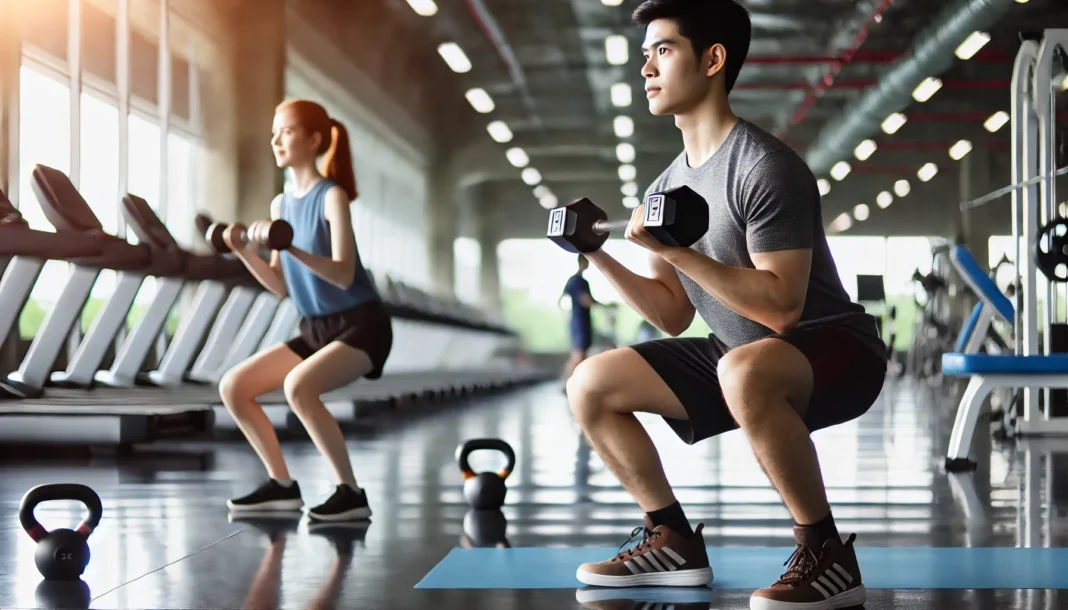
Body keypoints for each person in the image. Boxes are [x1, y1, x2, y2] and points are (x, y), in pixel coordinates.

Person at [566, 2, 886, 608]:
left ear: (713, 60)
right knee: (590, 383)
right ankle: (672, 539)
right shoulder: (665, 185)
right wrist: (598, 256)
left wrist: (680, 252)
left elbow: (783, 308)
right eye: (645, 55)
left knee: (743, 367)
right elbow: (670, 312)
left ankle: (826, 553)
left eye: (663, 51)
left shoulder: (765, 168)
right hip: (739, 354)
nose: (646, 69)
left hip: (834, 348)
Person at [219, 99, 393, 523]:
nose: (276, 140)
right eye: (274, 132)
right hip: (316, 325)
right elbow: (281, 285)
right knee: (235, 387)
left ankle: (351, 494)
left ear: (315, 139)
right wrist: (244, 251)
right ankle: (281, 486)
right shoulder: (282, 204)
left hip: (362, 324)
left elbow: (343, 274)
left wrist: (290, 246)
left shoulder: (332, 196)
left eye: (288, 131)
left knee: (299, 388)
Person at [559, 255, 599, 385]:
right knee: (578, 355)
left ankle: (575, 383)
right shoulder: (581, 282)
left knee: (581, 355)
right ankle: (565, 382)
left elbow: (561, 299)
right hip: (581, 323)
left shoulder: (572, 280)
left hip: (576, 321)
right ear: (583, 261)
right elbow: (587, 301)